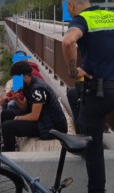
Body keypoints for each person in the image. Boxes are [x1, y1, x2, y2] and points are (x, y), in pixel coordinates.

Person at [62, 0, 114, 193]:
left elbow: (68, 42)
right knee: (74, 92)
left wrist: (73, 70)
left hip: (97, 93)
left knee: (93, 146)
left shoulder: (81, 20)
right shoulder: (111, 15)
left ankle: (97, 189)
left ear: (71, 5)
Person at [0, 61, 67, 151]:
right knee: (5, 114)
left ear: (25, 77)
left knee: (7, 126)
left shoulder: (37, 89)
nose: (15, 82)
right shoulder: (28, 85)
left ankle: (9, 155)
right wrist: (16, 99)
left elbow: (34, 116)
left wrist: (17, 118)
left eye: (16, 79)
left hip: (51, 127)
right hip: (41, 119)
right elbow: (26, 108)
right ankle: (10, 144)